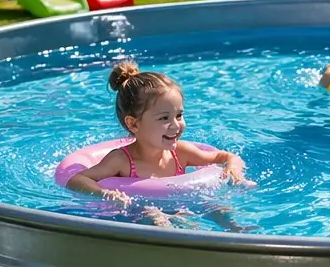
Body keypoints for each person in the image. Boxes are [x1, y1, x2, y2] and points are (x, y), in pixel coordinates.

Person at [66, 61, 250, 203]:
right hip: (140, 214)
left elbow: (227, 157)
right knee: (153, 215)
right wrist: (104, 193)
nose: (176, 125)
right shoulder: (120, 161)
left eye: (179, 115)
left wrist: (233, 169)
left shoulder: (181, 153)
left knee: (217, 207)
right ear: (133, 124)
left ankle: (238, 233)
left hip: (182, 206)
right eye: (164, 118)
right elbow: (77, 180)